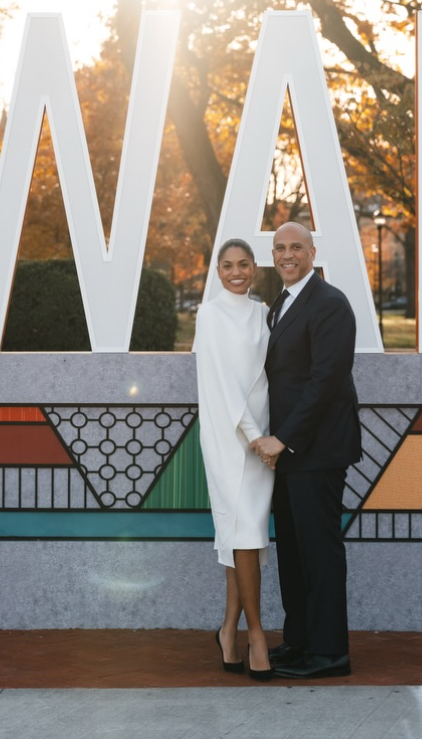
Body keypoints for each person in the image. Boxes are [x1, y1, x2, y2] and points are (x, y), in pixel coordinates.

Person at [250, 221, 359, 680]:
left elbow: (325, 383)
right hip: (290, 453)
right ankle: (299, 643)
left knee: (319, 553)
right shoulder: (281, 303)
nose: (287, 255)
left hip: (317, 449)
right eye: (280, 248)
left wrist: (283, 438)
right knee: (294, 553)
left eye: (296, 247)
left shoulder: (330, 304)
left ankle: (330, 653)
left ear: (313, 252)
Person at [193, 238, 276, 682]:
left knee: (242, 535)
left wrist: (268, 437)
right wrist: (255, 438)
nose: (236, 272)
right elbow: (224, 385)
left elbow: (263, 377)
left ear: (255, 269)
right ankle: (257, 635)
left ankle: (228, 631)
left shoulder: (263, 312)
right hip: (231, 439)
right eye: (227, 266)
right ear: (217, 271)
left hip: (263, 437)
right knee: (245, 532)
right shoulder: (209, 314)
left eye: (244, 264)